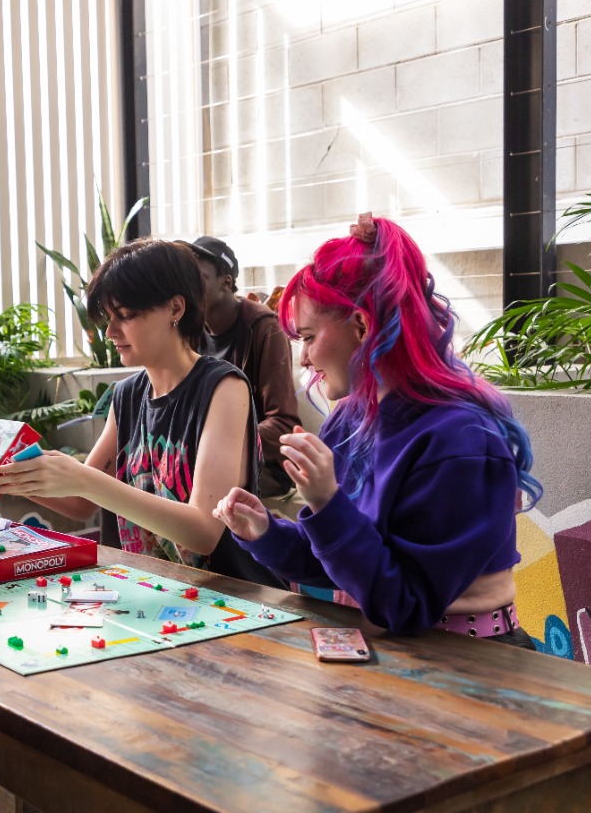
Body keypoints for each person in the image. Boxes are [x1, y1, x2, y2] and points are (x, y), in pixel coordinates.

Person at [212, 214, 543, 646]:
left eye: (308, 337)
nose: (304, 359)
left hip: (471, 662)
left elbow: (403, 605)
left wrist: (327, 503)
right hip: (392, 654)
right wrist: (265, 533)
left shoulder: (463, 439)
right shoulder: (352, 418)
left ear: (362, 326)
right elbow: (339, 563)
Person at [0, 239, 284, 587]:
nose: (110, 332)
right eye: (108, 318)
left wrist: (84, 479)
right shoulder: (127, 396)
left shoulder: (223, 388)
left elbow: (204, 531)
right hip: (152, 593)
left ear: (176, 308)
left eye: (126, 315)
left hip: (229, 600)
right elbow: (81, 502)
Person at [190, 236, 301, 497]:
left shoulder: (264, 328)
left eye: (199, 278)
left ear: (226, 282)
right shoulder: (190, 330)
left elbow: (283, 423)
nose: (188, 287)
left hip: (265, 466)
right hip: (203, 455)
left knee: (199, 487)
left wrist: (220, 443)